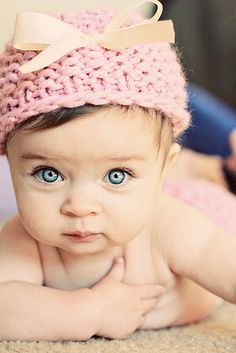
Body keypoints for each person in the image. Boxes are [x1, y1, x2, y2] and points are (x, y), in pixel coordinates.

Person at [0, 0, 236, 342]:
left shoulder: (169, 225)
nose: (80, 206)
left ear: (162, 170)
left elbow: (226, 267)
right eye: (48, 174)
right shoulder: (24, 239)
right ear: (10, 162)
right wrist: (93, 310)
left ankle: (214, 172)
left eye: (116, 175)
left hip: (209, 206)